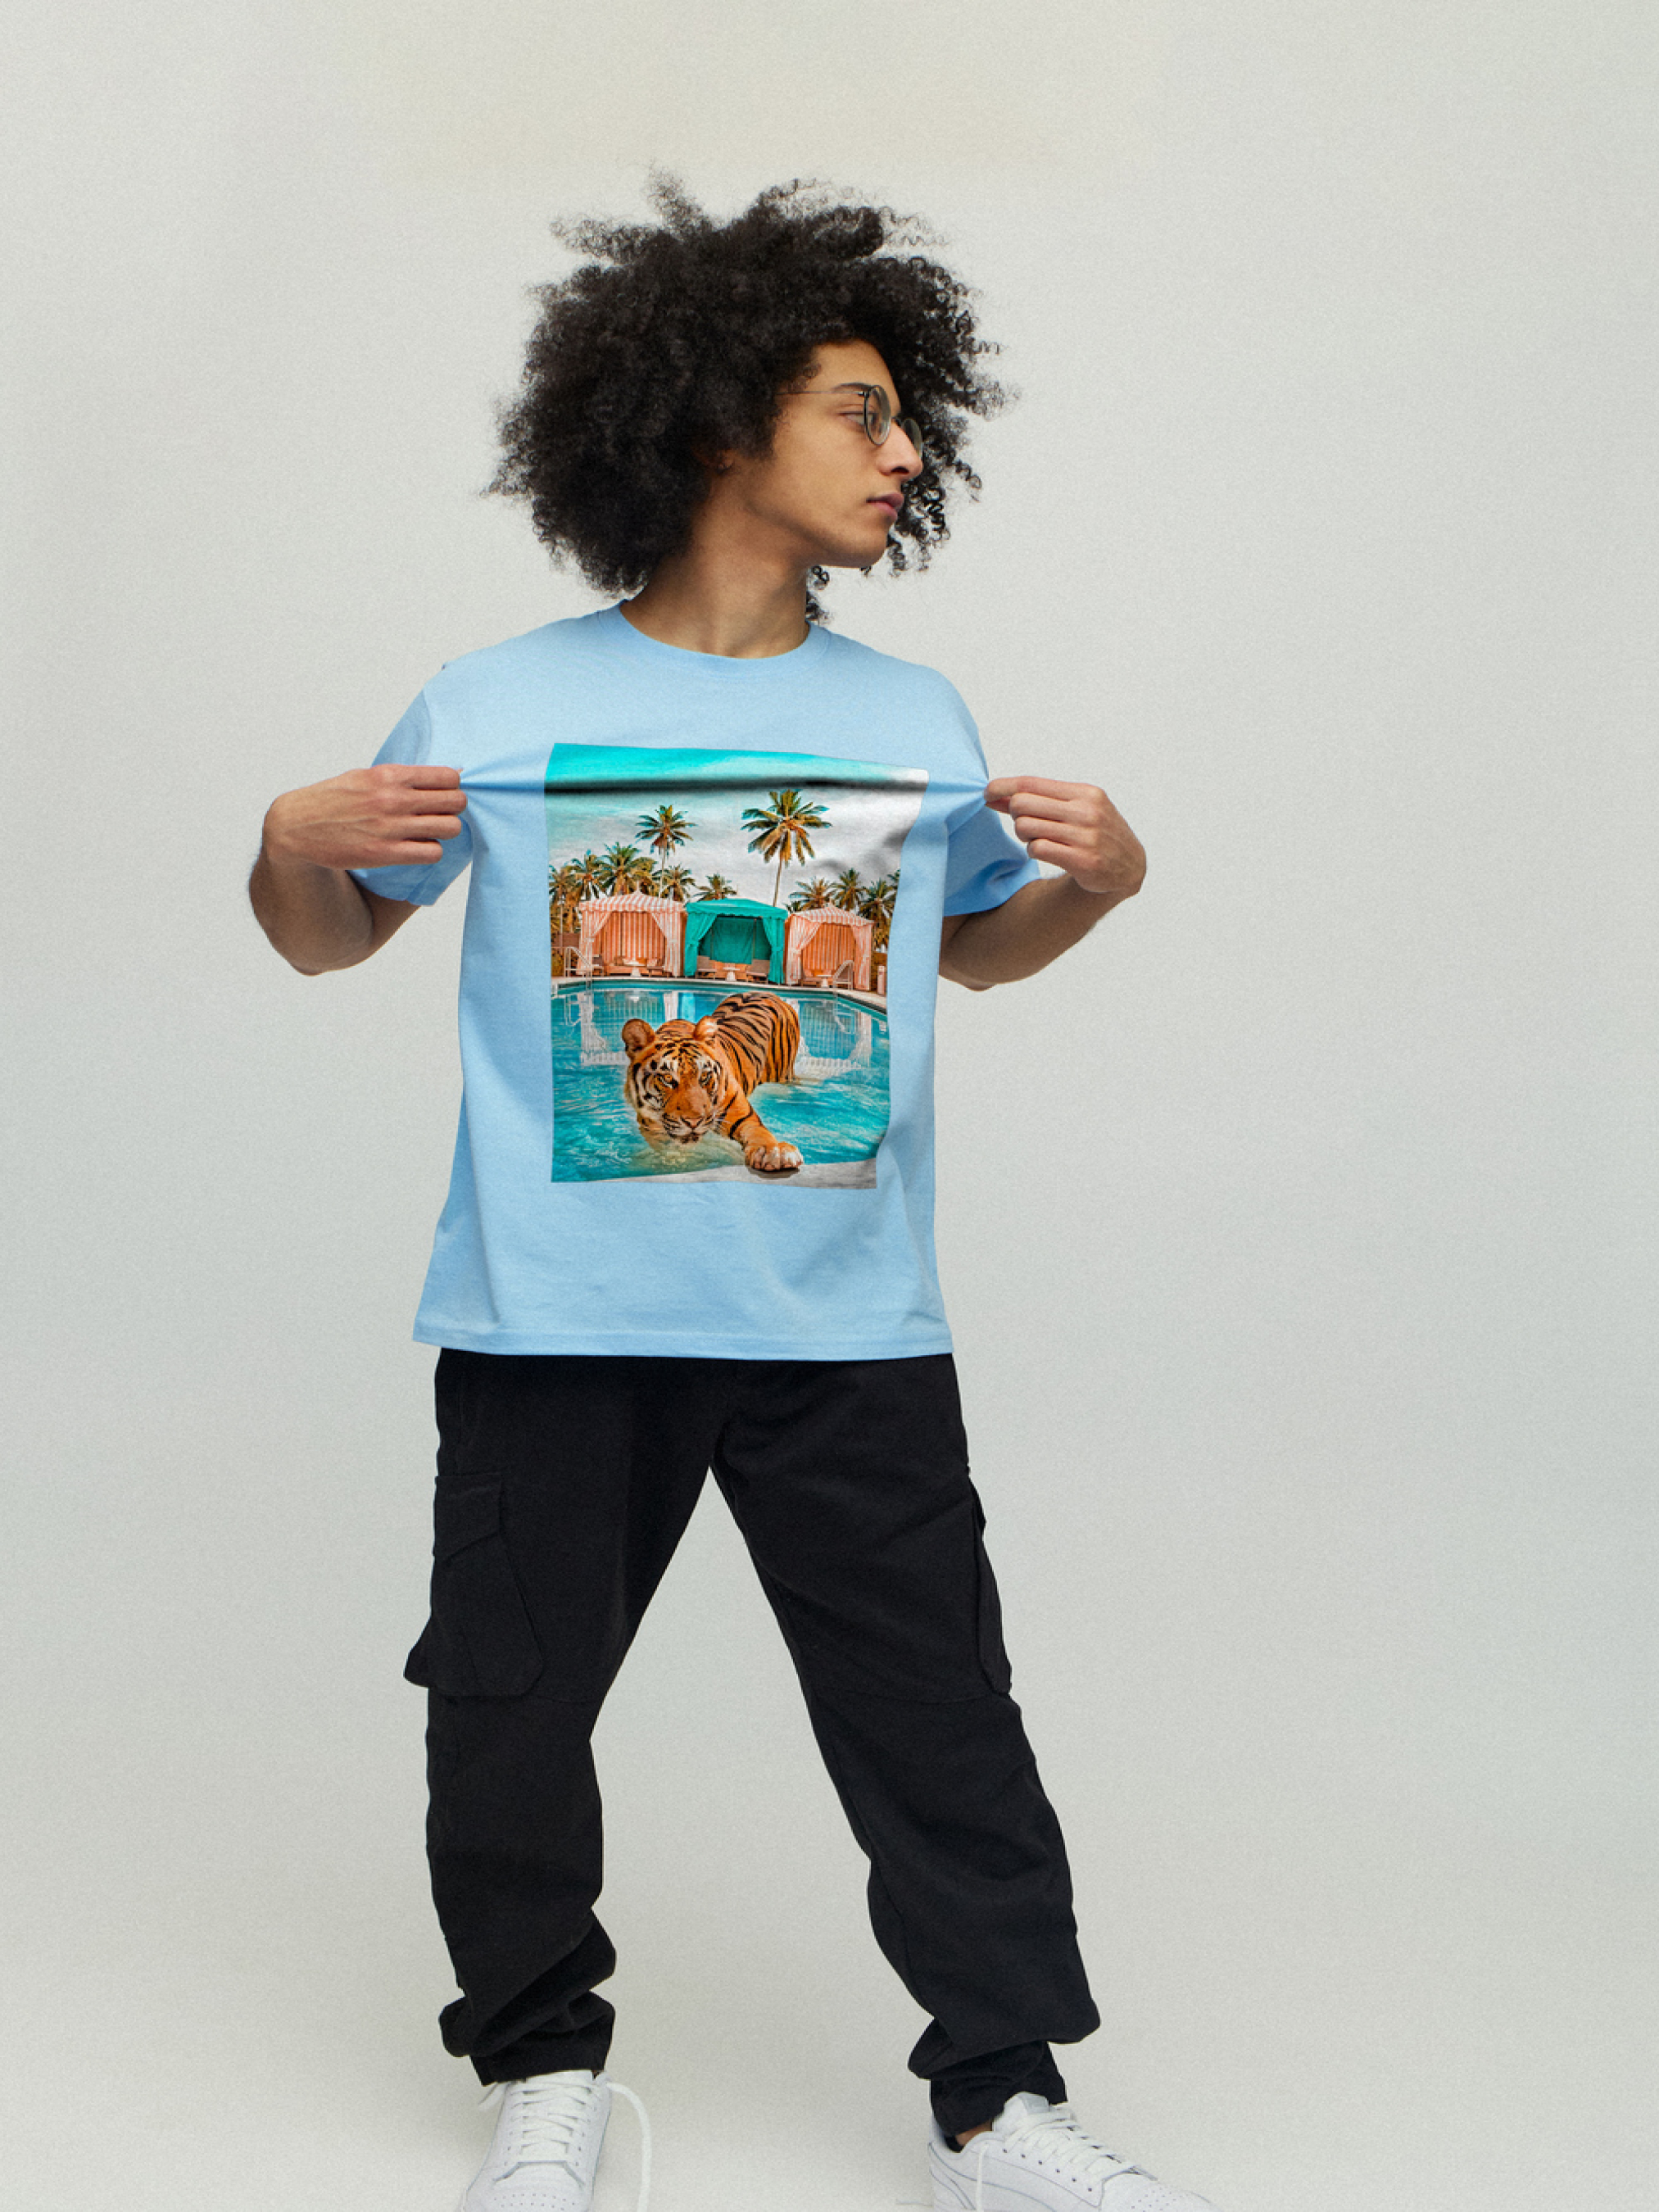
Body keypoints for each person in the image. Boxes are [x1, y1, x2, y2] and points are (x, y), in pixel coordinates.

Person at [249, 176, 1218, 2212]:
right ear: (711, 427)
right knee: (510, 1718)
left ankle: (999, 2106)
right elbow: (324, 941)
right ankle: (543, 2071)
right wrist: (288, 838)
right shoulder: (495, 702)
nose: (903, 452)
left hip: (842, 1317)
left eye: (906, 417)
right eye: (859, 412)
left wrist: (1100, 890)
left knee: (933, 1713)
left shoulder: (908, 718)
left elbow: (970, 958)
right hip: (552, 1315)